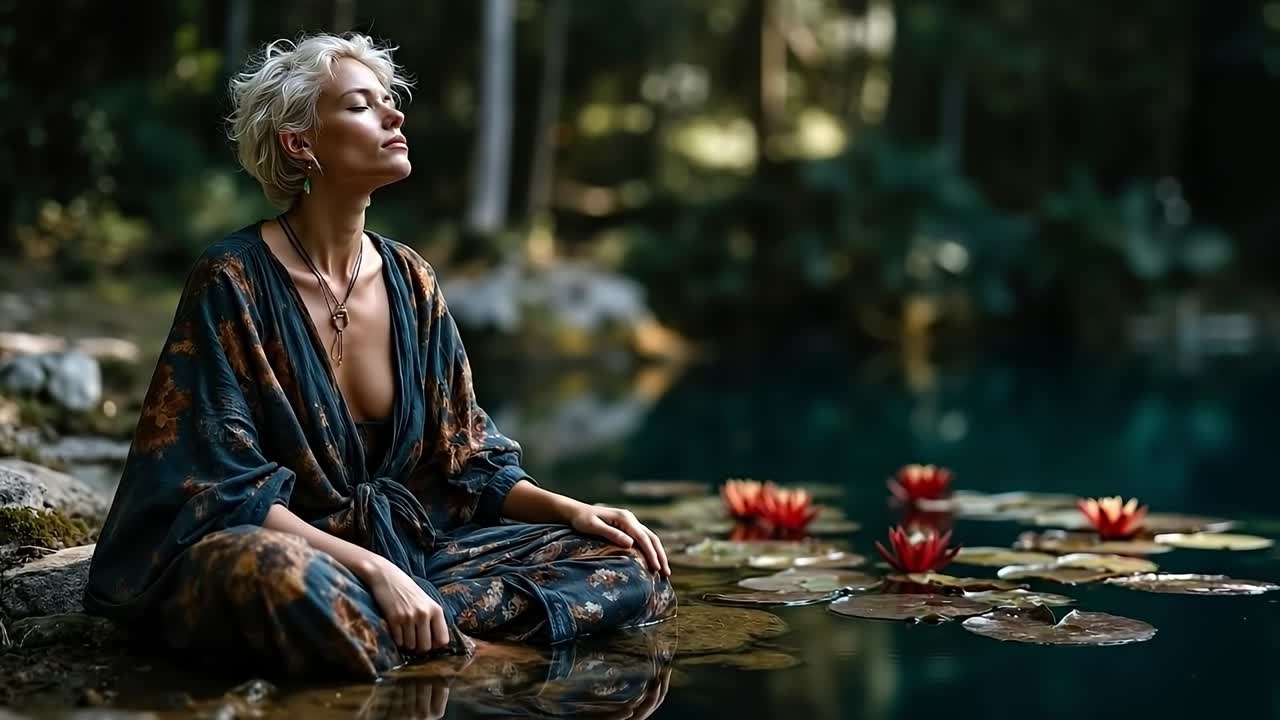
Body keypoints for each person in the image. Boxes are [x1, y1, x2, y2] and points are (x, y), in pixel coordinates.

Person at [83, 32, 676, 680]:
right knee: (276, 580)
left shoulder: (411, 280)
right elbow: (217, 486)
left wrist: (575, 510)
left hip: (419, 555)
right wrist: (373, 568)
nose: (394, 116)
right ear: (300, 142)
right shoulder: (233, 279)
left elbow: (469, 459)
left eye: (390, 100)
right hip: (297, 553)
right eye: (362, 105)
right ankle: (467, 652)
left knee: (628, 563)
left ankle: (412, 637)